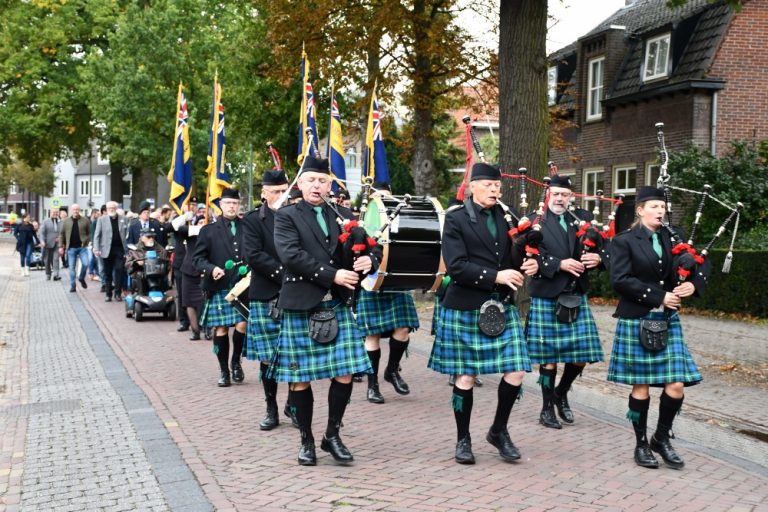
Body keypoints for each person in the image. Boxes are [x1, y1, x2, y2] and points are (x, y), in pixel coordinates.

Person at [272, 155, 380, 466]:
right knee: (301, 377)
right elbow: (290, 255)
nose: (317, 186)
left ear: (330, 185)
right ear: (300, 183)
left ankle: (332, 434)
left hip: (338, 302)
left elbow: (374, 245)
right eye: (311, 180)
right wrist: (332, 274)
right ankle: (306, 439)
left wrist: (369, 260)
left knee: (345, 373)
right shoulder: (287, 216)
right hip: (302, 302)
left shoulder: (345, 214)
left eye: (322, 181)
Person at [428, 163, 537, 465]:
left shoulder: (507, 216)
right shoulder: (456, 219)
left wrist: (528, 263)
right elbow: (456, 266)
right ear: (473, 186)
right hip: (465, 303)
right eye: (488, 185)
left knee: (515, 370)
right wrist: (497, 276)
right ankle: (463, 439)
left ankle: (499, 431)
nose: (494, 190)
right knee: (465, 376)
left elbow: (514, 257)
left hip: (501, 305)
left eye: (497, 185)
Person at [608, 185, 707, 470]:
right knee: (642, 387)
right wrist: (659, 295)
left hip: (666, 319)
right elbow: (620, 279)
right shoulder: (624, 241)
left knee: (675, 385)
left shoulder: (673, 236)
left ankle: (661, 438)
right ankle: (640, 444)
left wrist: (693, 284)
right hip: (636, 317)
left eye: (662, 207)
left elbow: (700, 264)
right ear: (640, 210)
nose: (660, 211)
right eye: (654, 207)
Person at [525, 174, 606, 429]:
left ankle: (561, 393)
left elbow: (605, 247)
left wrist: (599, 259)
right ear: (547, 194)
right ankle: (547, 407)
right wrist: (558, 264)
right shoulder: (534, 221)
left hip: (575, 294)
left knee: (581, 355)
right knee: (549, 358)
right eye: (555, 193)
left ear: (571, 197)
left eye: (565, 194)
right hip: (548, 293)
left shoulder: (581, 220)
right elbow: (526, 256)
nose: (560, 198)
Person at [355, 184, 419, 404]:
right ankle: (372, 385)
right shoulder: (362, 224)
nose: (383, 203)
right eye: (379, 198)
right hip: (372, 283)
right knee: (372, 334)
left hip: (396, 281)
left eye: (387, 199)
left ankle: (391, 370)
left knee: (403, 328)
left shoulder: (401, 220)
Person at [242, 169, 294, 430]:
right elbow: (253, 255)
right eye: (275, 191)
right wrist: (285, 274)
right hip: (266, 293)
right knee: (267, 357)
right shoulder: (253, 220)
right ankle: (271, 407)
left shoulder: (297, 215)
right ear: (263, 193)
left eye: (284, 190)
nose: (280, 196)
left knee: (295, 355)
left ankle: (293, 405)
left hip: (295, 295)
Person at [193, 188, 248, 387]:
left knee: (243, 325)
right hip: (220, 286)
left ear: (238, 204)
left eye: (235, 202)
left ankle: (236, 362)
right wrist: (211, 268)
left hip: (243, 287)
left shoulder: (247, 227)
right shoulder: (208, 230)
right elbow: (197, 259)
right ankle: (224, 370)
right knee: (221, 329)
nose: (231, 206)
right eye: (227, 203)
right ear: (221, 205)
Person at [176, 207, 207, 340]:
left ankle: (207, 329)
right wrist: (186, 218)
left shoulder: (211, 234)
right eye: (200, 222)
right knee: (188, 302)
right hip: (188, 270)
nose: (202, 224)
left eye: (204, 223)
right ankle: (195, 331)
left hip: (204, 271)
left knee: (203, 302)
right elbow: (178, 227)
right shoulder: (190, 232)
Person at [93, 201, 129, 302]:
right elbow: (97, 235)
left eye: (113, 208)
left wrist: (128, 250)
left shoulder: (124, 219)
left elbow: (127, 235)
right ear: (107, 209)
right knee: (107, 273)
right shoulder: (101, 219)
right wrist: (96, 248)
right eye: (109, 208)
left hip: (119, 250)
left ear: (116, 208)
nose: (111, 209)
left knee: (119, 270)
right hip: (106, 250)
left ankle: (117, 293)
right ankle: (108, 294)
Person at [125, 227, 169, 296]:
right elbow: (127, 264)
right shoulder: (134, 249)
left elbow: (167, 263)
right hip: (142, 273)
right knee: (139, 274)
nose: (151, 239)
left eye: (153, 237)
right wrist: (136, 263)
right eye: (148, 237)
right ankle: (141, 295)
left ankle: (162, 294)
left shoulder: (161, 249)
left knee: (162, 275)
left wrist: (162, 262)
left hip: (157, 272)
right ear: (142, 237)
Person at [59, 204, 91, 292]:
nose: (75, 211)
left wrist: (86, 241)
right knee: (71, 268)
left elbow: (89, 232)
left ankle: (81, 278)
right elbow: (61, 234)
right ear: (72, 210)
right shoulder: (66, 221)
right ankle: (73, 285)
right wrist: (61, 246)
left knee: (86, 264)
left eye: (77, 209)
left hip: (82, 248)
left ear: (79, 210)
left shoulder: (85, 220)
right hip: (71, 249)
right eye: (74, 209)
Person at [40, 208, 62, 281]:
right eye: (53, 212)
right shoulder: (45, 222)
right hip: (47, 244)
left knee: (56, 259)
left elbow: (62, 232)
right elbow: (42, 233)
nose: (55, 214)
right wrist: (42, 241)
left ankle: (56, 275)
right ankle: (48, 274)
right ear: (50, 213)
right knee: (47, 261)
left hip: (57, 244)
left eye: (56, 212)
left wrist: (60, 238)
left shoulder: (60, 222)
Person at [87, 209, 102, 282]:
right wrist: (91, 241)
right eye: (97, 214)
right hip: (91, 243)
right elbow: (92, 233)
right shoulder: (90, 221)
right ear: (94, 214)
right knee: (91, 259)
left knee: (94, 259)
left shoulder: (96, 221)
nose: (99, 215)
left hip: (94, 242)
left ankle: (95, 273)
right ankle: (91, 273)